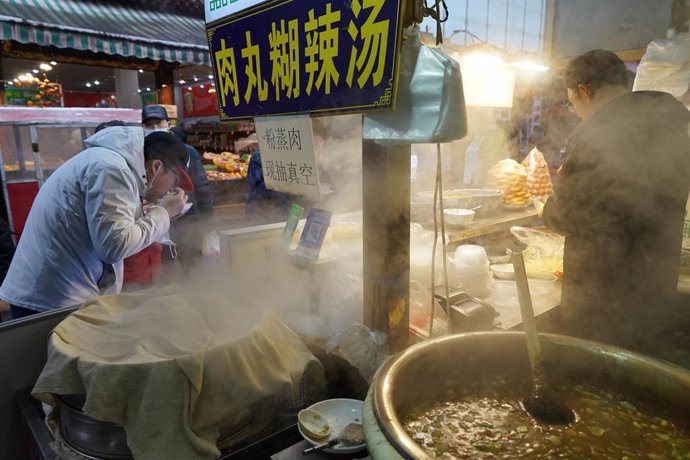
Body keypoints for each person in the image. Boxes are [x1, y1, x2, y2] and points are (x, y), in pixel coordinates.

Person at [541, 49, 690, 347]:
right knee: (638, 377)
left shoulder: (596, 134)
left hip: (600, 295)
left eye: (572, 101)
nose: (575, 110)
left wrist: (547, 208)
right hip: (655, 284)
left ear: (584, 91)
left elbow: (567, 215)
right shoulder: (673, 122)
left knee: (594, 375)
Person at [0, 126, 191, 319]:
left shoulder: (110, 162)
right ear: (156, 167)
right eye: (175, 181)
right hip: (48, 300)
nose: (172, 190)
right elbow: (115, 246)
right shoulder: (112, 169)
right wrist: (163, 212)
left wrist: (155, 214)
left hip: (53, 290)